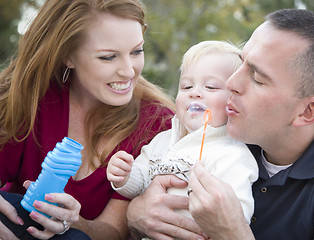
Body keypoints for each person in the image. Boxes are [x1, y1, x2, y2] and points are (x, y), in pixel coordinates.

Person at [126, 8, 314, 240]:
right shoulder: (220, 129)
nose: (231, 82)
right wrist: (136, 215)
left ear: (307, 112)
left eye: (257, 78)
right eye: (241, 64)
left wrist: (231, 232)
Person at [0, 0, 174, 239]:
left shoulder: (158, 124)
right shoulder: (31, 97)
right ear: (68, 57)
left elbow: (113, 232)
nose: (128, 71)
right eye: (108, 57)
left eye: (136, 51)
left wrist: (73, 222)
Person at [106, 40, 258, 226]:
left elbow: (238, 217)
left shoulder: (232, 154)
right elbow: (140, 185)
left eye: (210, 87)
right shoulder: (162, 140)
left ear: (234, 99)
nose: (195, 93)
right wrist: (125, 176)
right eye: (186, 86)